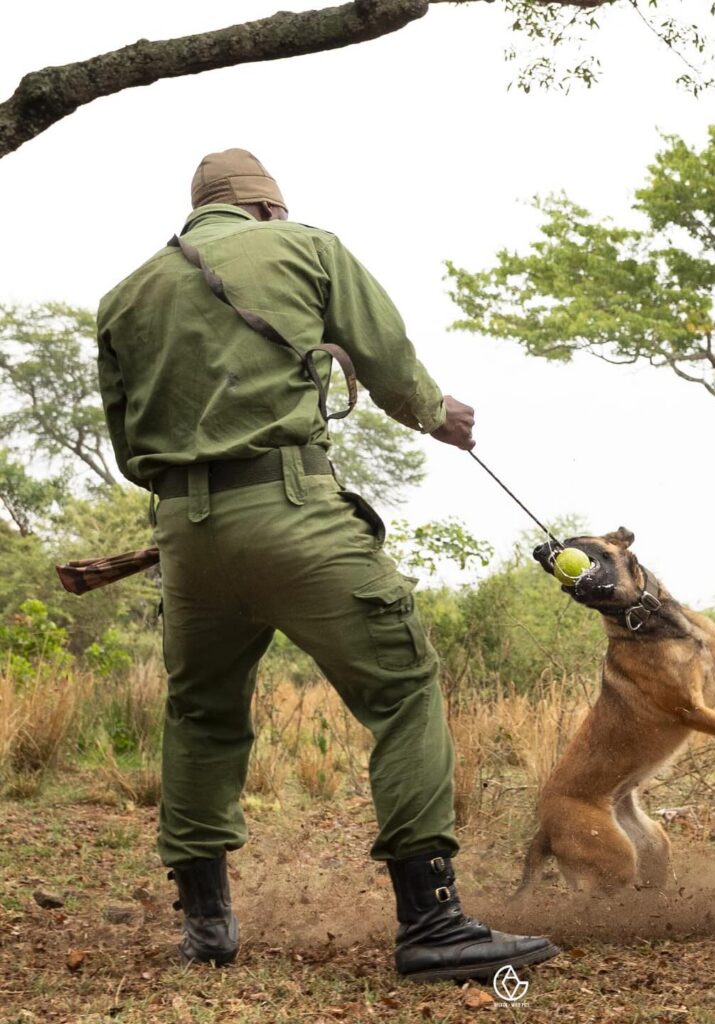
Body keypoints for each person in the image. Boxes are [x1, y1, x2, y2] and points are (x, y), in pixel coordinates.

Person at [96, 148, 559, 983]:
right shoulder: (309, 247)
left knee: (201, 715)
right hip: (294, 514)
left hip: (186, 537)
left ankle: (207, 926)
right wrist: (433, 413)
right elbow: (383, 356)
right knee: (403, 687)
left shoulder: (124, 295)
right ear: (269, 208)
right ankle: (432, 923)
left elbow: (131, 450)